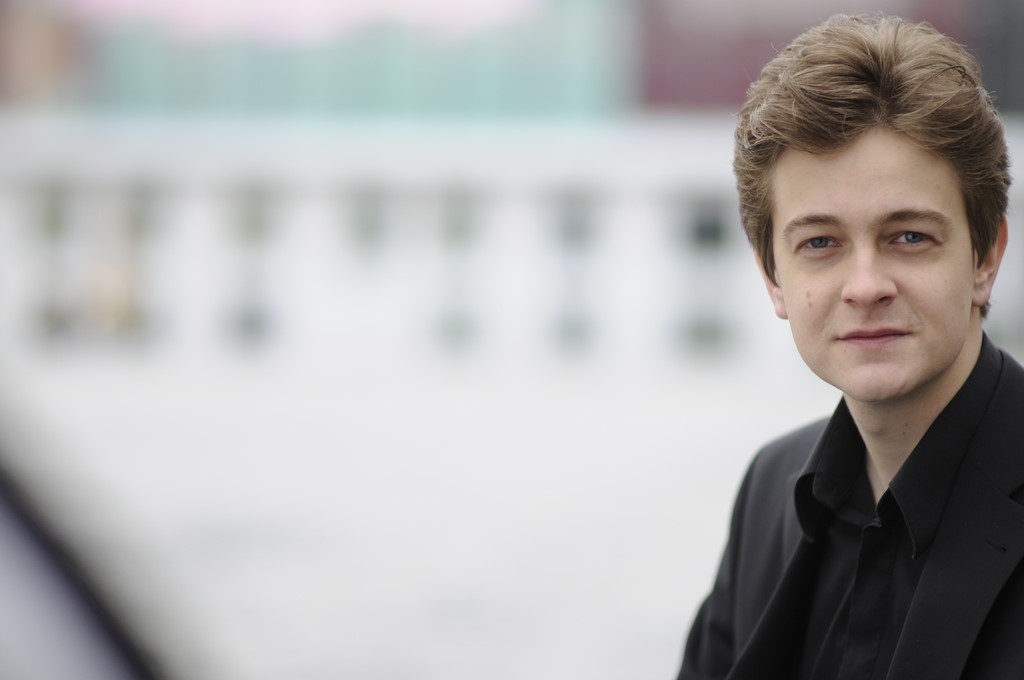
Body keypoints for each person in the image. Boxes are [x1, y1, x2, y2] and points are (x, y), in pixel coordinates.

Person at [677, 14, 1024, 680]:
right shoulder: (768, 491)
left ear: (985, 258)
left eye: (909, 236)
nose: (865, 286)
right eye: (820, 243)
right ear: (773, 277)